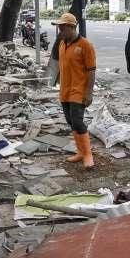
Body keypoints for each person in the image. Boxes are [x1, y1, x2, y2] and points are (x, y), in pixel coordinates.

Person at [51, 13, 96, 168]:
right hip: (65, 90)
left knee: (77, 121)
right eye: (59, 28)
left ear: (71, 27)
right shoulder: (62, 44)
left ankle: (88, 154)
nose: (60, 31)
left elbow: (91, 70)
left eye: (62, 28)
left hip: (79, 90)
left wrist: (89, 93)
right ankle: (80, 152)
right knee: (71, 122)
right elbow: (62, 67)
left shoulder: (85, 45)